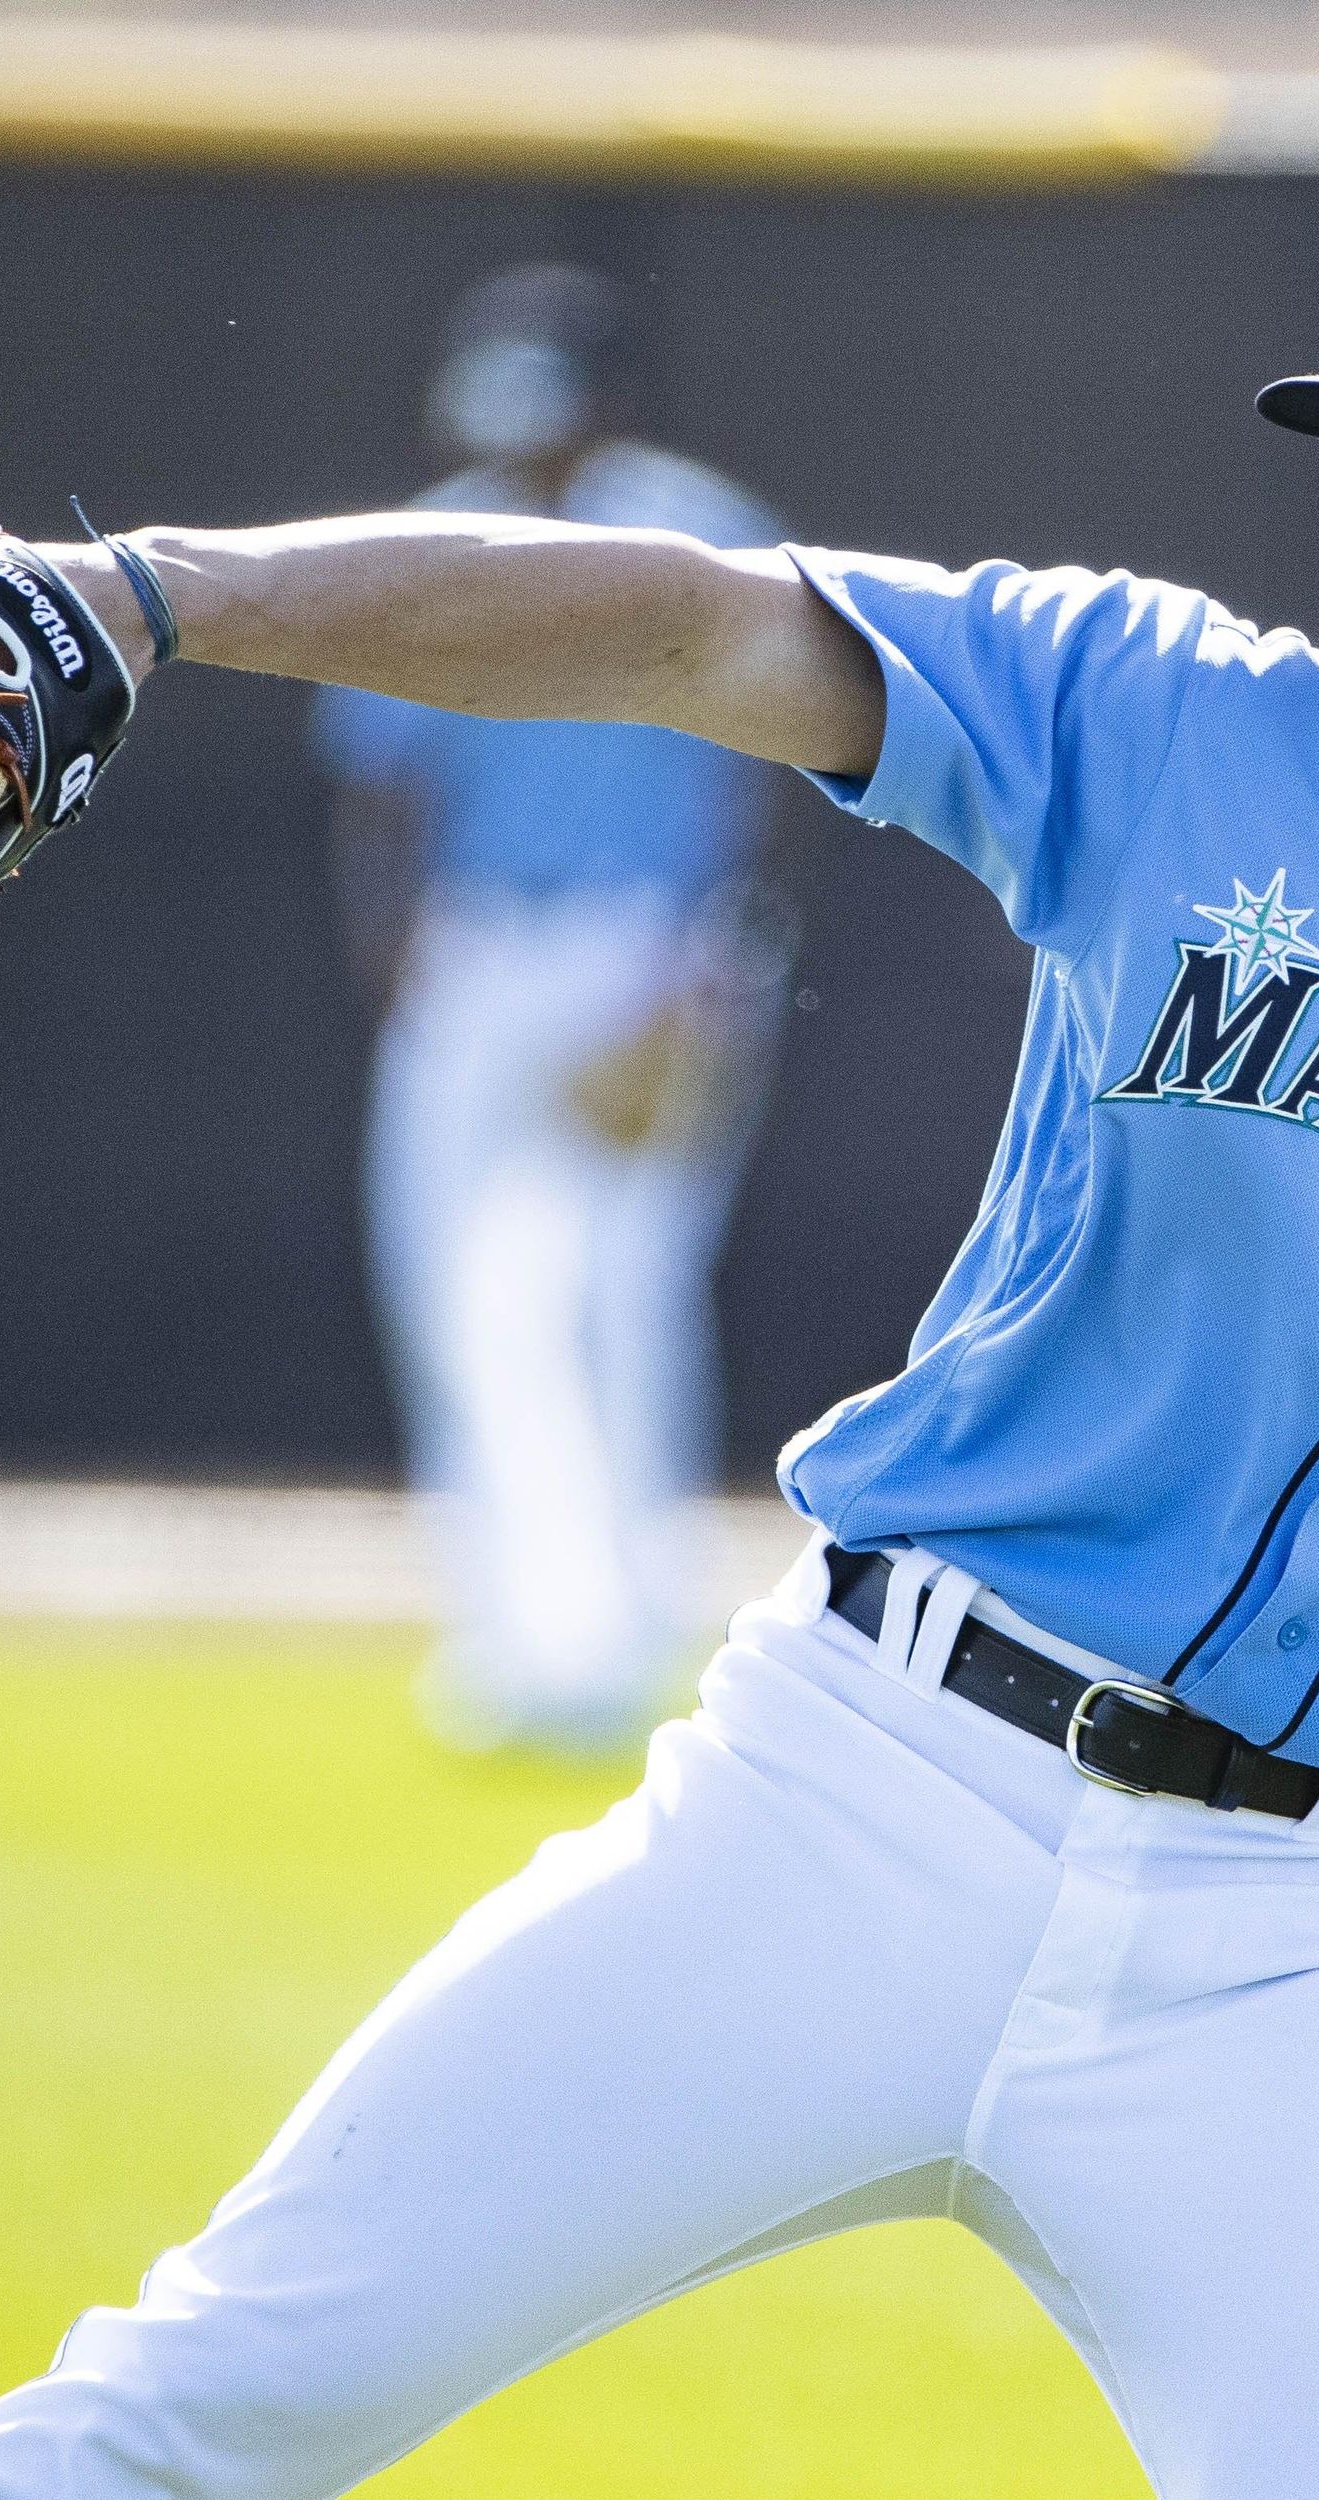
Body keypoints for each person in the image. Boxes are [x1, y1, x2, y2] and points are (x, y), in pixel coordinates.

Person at [0, 206, 1319, 2499]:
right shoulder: (1177, 723)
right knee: (209, 2409)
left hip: (1311, 1963)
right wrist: (144, 590)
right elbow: (688, 624)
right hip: (857, 1801)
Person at [312, 265, 789, 1752]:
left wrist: (717, 960)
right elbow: (380, 783)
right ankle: (513, 1637)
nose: (538, 447)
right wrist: (394, 953)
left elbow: (775, 763)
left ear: (616, 402)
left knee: (618, 1290)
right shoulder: (432, 538)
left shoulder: (699, 533)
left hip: (647, 945)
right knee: (456, 1294)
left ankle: (626, 1639)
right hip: (478, 945)